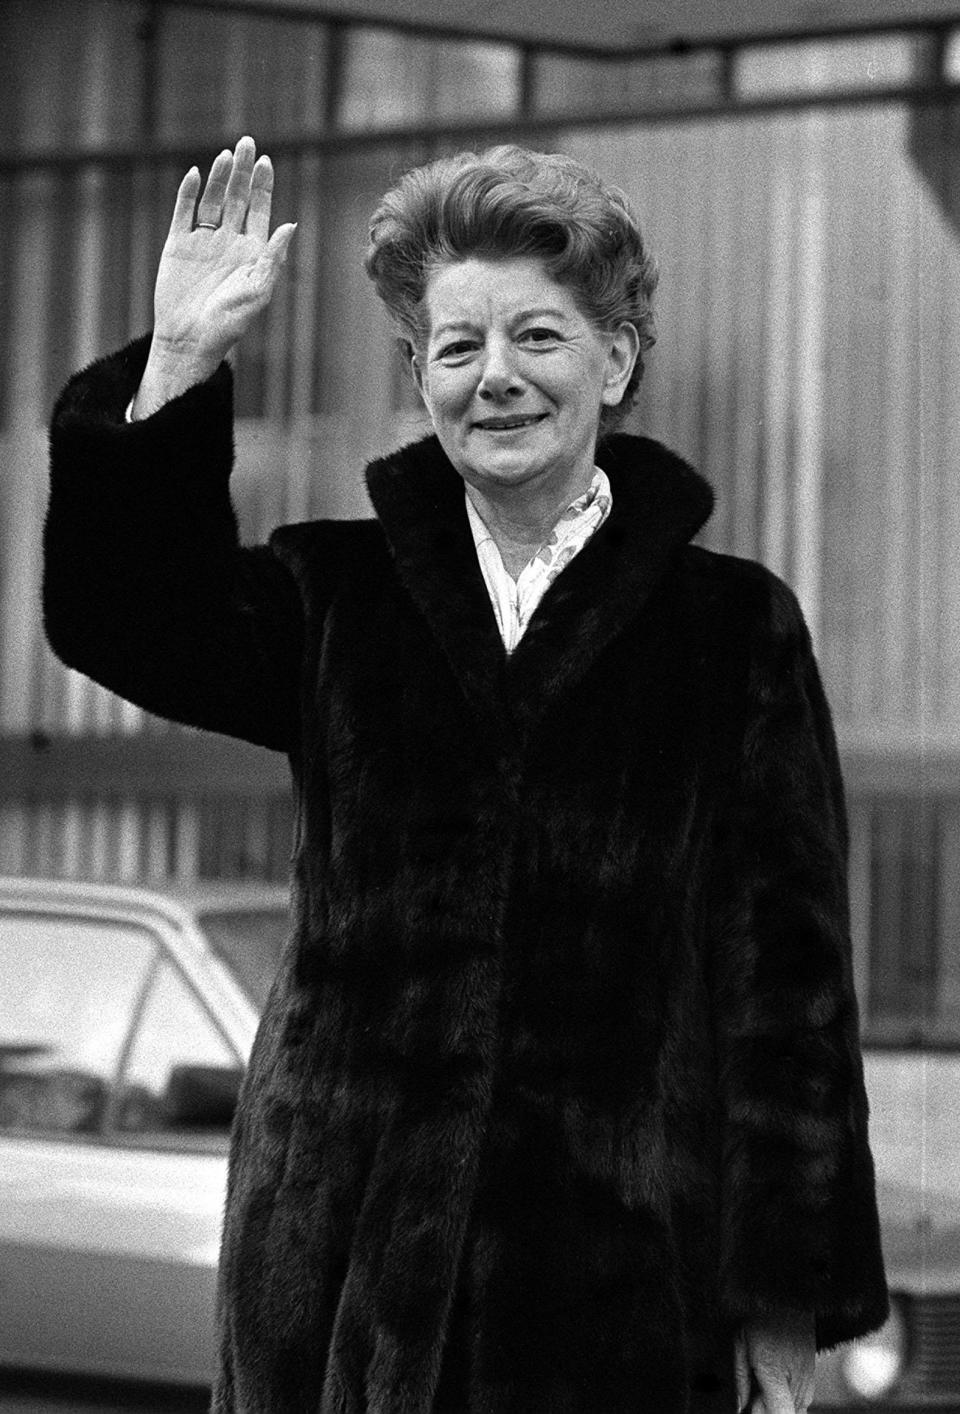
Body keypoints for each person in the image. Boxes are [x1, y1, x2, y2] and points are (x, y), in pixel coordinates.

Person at [44, 136, 888, 1414]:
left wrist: (782, 1302)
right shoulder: (336, 597)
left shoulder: (733, 632)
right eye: (456, 346)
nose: (496, 377)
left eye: (539, 338)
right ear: (420, 375)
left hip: (612, 1292)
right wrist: (177, 363)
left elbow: (793, 1001)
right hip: (335, 1282)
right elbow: (122, 616)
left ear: (617, 357)